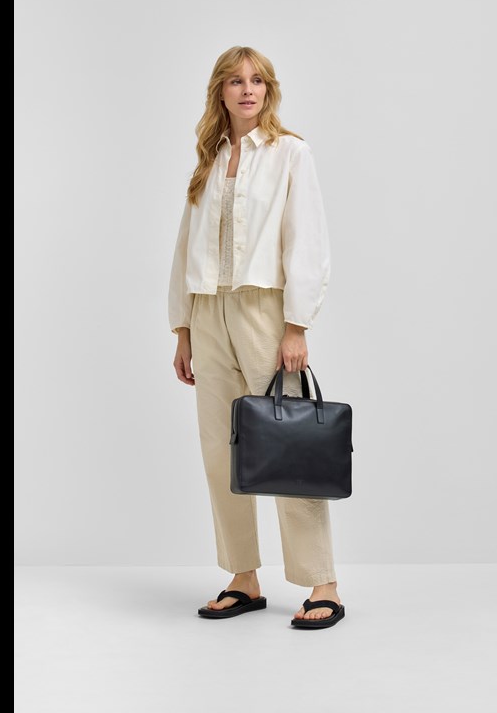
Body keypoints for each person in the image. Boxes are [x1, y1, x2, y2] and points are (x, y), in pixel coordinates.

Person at [168, 46, 345, 629]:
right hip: (207, 312)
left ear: (268, 90)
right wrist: (182, 328)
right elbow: (184, 247)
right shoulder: (210, 159)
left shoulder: (291, 152)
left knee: (290, 444)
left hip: (265, 311)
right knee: (220, 449)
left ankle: (323, 583)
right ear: (219, 91)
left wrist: (296, 324)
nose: (247, 90)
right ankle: (243, 576)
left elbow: (308, 240)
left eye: (258, 80)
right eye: (235, 81)